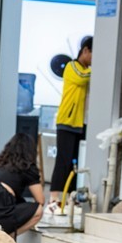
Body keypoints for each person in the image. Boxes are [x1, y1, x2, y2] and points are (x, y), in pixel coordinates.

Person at [51, 36, 91, 194]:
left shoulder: (86, 70)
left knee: (75, 163)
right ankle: (55, 195)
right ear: (86, 50)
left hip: (80, 123)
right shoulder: (72, 66)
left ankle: (70, 195)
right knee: (63, 160)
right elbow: (82, 78)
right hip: (67, 121)